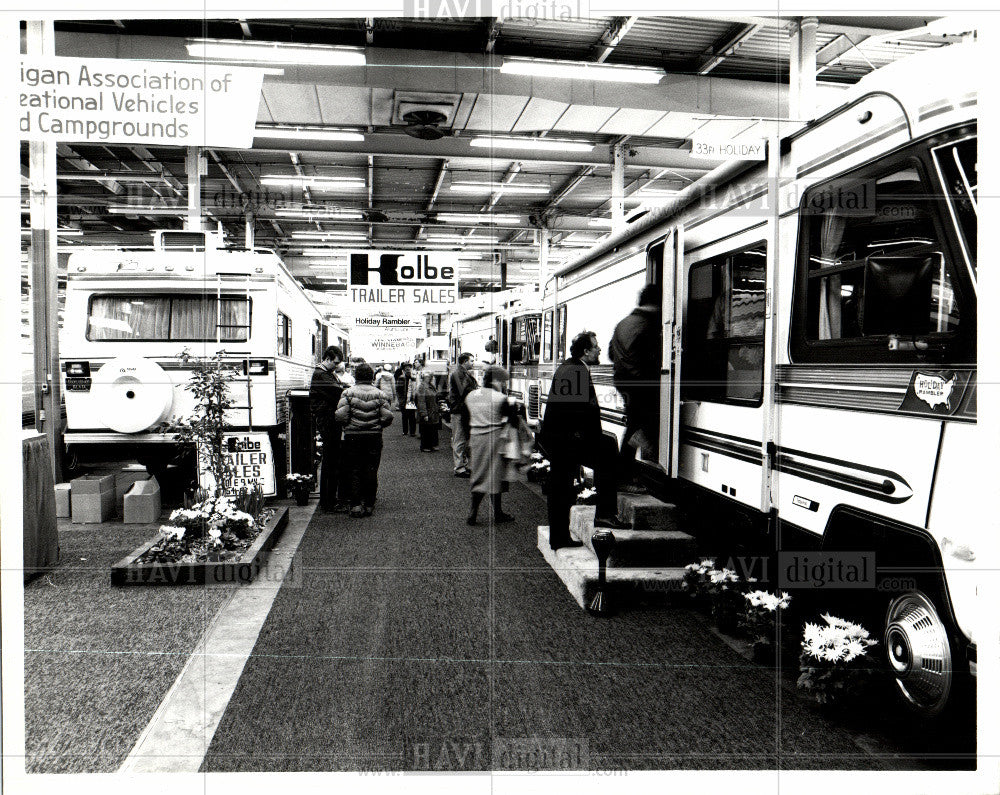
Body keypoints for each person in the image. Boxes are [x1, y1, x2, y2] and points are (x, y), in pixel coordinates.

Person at [537, 331, 625, 550]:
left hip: (565, 441)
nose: (599, 350)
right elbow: (574, 413)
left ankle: (566, 534)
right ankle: (567, 533)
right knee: (562, 489)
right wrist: (586, 440)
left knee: (563, 488)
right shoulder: (575, 371)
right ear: (586, 351)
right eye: (596, 346)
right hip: (566, 443)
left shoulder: (572, 367)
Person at [608, 284, 662, 492]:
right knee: (638, 427)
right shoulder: (648, 326)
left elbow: (612, 355)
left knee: (635, 426)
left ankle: (626, 474)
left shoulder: (623, 324)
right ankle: (624, 477)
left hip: (624, 382)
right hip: (642, 385)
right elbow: (654, 358)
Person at [334, 363, 393, 518]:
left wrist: (349, 424)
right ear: (372, 376)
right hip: (373, 436)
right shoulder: (380, 394)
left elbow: (340, 416)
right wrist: (377, 425)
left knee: (354, 469)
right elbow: (387, 417)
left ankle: (355, 505)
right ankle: (368, 504)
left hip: (353, 436)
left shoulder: (347, 393)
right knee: (371, 469)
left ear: (356, 376)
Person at [461, 366, 516, 526]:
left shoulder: (471, 395)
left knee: (479, 474)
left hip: (476, 438)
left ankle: (474, 511)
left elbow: (465, 419)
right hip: (495, 439)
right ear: (496, 381)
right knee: (496, 475)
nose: (504, 385)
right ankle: (497, 513)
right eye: (503, 381)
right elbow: (512, 420)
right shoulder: (500, 398)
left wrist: (467, 439)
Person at [309, 346, 347, 512]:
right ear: (328, 358)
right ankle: (328, 502)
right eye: (336, 362)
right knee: (331, 461)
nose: (337, 366)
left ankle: (329, 500)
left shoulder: (325, 373)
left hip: (328, 420)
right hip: (328, 421)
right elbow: (338, 392)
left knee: (331, 460)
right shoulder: (321, 374)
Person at [448, 353, 478, 478]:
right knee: (459, 439)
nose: (473, 363)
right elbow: (463, 391)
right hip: (459, 410)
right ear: (464, 361)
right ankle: (459, 467)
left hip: (462, 410)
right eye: (471, 361)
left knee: (463, 438)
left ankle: (463, 465)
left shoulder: (462, 373)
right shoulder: (459, 374)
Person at [415, 369, 441, 452]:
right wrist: (424, 413)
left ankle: (433, 444)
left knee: (433, 429)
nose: (432, 378)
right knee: (426, 429)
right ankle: (425, 446)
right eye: (430, 376)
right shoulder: (422, 387)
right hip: (427, 411)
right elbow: (421, 401)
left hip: (433, 411)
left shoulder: (431, 386)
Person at [400, 363, 419, 437]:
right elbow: (398, 390)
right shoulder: (401, 378)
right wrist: (400, 399)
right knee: (404, 415)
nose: (408, 370)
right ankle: (405, 431)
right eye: (406, 369)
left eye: (409, 369)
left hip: (410, 399)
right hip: (403, 399)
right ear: (404, 370)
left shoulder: (413, 378)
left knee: (411, 415)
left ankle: (412, 432)